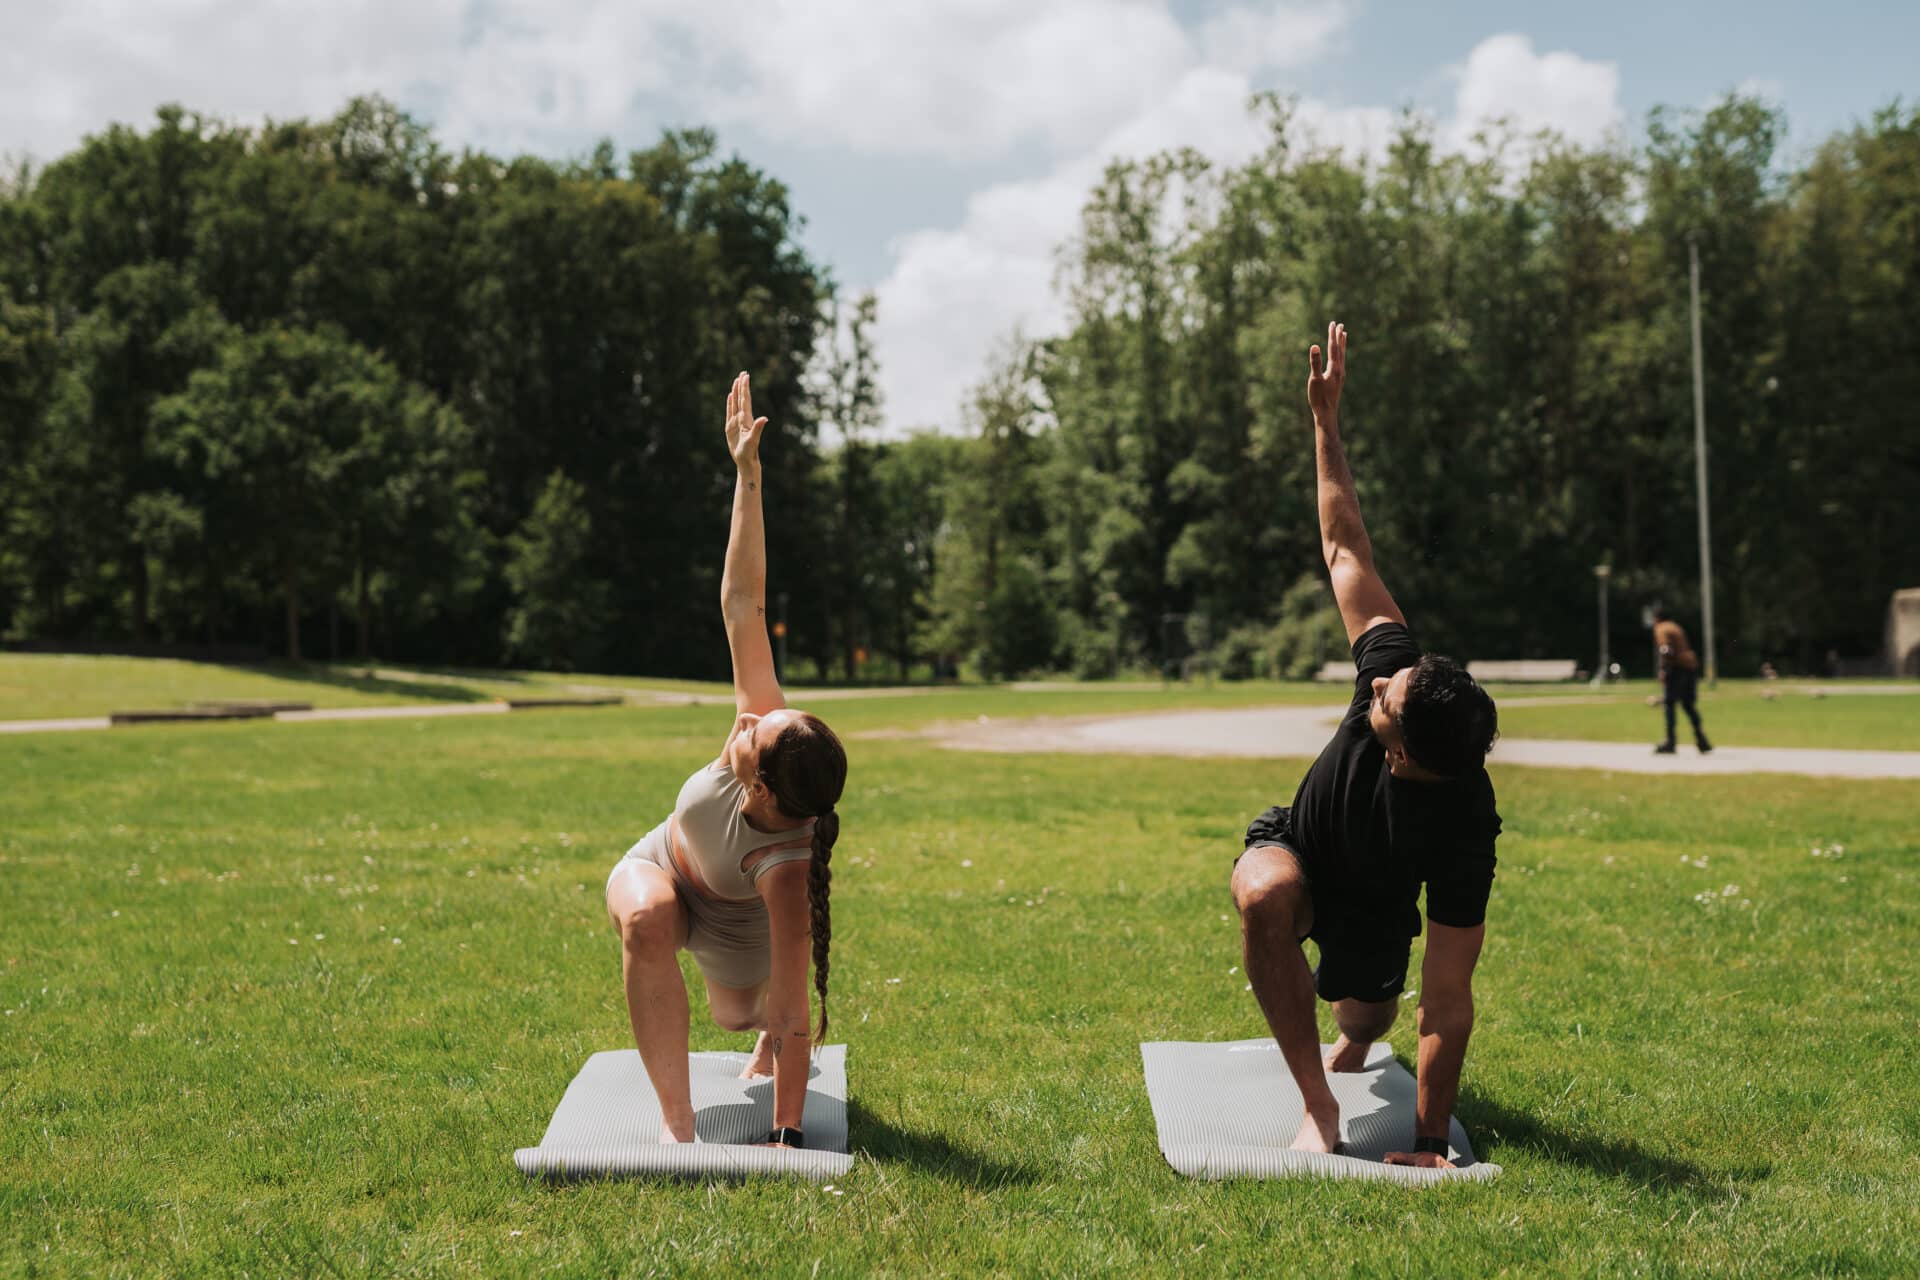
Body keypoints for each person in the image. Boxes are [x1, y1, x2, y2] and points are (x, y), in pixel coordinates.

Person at [1229, 322, 1502, 1170]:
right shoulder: (1395, 667)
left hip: (1376, 914)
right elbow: (1345, 546)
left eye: (1385, 702)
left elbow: (1448, 999)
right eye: (1388, 682)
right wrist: (1325, 424)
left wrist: (1427, 1140)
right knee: (1264, 895)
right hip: (1300, 850)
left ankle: (1345, 1050)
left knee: (1366, 1020)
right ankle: (1319, 1104)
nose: (1375, 687)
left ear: (1407, 756)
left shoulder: (1463, 828)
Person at [604, 371, 847, 1148]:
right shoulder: (765, 727)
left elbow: (794, 1008)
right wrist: (748, 478)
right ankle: (678, 1125)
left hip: (735, 923)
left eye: (755, 737)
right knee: (644, 918)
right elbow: (743, 602)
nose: (746, 721)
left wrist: (786, 1130)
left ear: (768, 790)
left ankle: (755, 1054)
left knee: (743, 1014)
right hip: (667, 863)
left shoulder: (784, 866)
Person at [1651, 607, 1711, 754]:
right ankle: (1702, 740)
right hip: (1690, 666)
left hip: (1677, 668)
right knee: (1688, 705)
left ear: (1657, 619)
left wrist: (1664, 668)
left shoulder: (1661, 628)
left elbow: (1666, 649)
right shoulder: (1676, 627)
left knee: (1670, 703)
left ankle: (1670, 741)